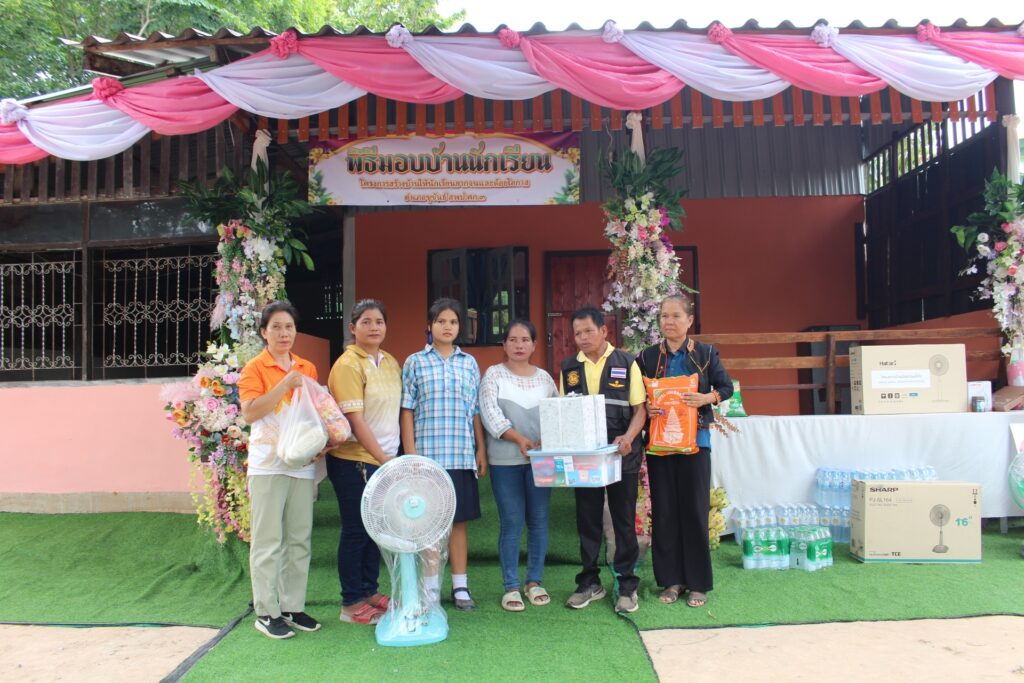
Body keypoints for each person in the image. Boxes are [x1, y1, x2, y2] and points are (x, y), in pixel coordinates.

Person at [636, 294, 733, 608]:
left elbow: (726, 387)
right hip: (659, 445)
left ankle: (698, 583)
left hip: (696, 443)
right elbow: (636, 396)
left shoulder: (705, 353)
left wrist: (706, 399)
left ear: (690, 320)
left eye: (676, 316)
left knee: (693, 510)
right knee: (665, 512)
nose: (669, 322)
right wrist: (647, 407)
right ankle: (671, 580)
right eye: (664, 316)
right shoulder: (647, 357)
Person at [238, 300, 322, 640]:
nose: (284, 333)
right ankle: (266, 611)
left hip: (300, 463)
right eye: (276, 327)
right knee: (268, 539)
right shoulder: (255, 368)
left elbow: (313, 412)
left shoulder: (307, 368)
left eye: (289, 327)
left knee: (299, 538)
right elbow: (250, 412)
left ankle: (292, 606)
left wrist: (318, 444)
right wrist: (285, 384)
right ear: (264, 332)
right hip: (267, 464)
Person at [400, 298, 487, 611]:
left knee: (458, 523)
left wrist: (480, 449)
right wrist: (411, 455)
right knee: (429, 524)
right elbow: (407, 410)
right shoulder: (415, 362)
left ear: (460, 327)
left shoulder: (469, 363)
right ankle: (431, 589)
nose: (447, 327)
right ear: (430, 326)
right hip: (428, 459)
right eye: (441, 321)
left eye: (453, 322)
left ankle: (460, 586)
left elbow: (474, 410)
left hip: (460, 455)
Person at [560, 306, 647, 614]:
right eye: (577, 333)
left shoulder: (626, 362)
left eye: (588, 331)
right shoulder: (569, 367)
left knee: (623, 520)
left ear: (604, 331)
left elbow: (640, 409)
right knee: (588, 520)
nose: (583, 337)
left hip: (621, 455)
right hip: (585, 459)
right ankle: (589, 583)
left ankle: (627, 584)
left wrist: (628, 438)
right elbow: (565, 413)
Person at [326, 299, 400, 625]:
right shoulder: (347, 365)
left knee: (375, 529)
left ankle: (369, 590)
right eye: (366, 321)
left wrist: (390, 458)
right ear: (353, 328)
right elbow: (355, 421)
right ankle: (351, 602)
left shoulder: (390, 361)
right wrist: (382, 458)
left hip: (383, 461)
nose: (373, 327)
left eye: (379, 321)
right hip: (354, 461)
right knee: (357, 530)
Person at [479, 319, 558, 612]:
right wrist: (519, 439)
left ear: (534, 345)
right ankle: (511, 586)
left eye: (525, 340)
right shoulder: (493, 375)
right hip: (505, 461)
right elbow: (489, 414)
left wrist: (547, 440)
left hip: (542, 461)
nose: (519, 345)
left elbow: (557, 414)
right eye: (512, 340)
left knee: (539, 521)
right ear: (504, 344)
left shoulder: (545, 379)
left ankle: (534, 582)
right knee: (511, 522)